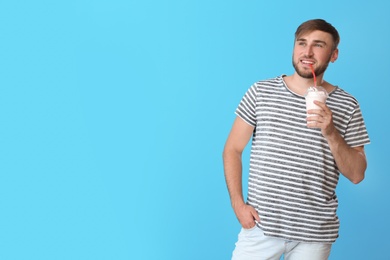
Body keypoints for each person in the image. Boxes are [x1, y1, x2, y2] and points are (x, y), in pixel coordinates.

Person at [222, 19, 370, 260]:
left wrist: (331, 131)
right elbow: (232, 149)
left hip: (314, 235)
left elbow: (357, 174)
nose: (307, 52)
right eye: (302, 43)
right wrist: (238, 205)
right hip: (261, 228)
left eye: (318, 45)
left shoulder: (347, 105)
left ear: (334, 55)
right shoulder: (261, 92)